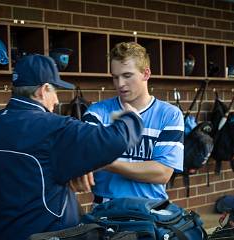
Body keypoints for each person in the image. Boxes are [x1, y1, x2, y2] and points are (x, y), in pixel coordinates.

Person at [0, 54, 143, 240]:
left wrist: (76, 166)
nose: (57, 100)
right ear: (43, 90)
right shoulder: (54, 128)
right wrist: (130, 118)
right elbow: (113, 140)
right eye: (55, 91)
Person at [78, 42, 184, 202]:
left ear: (146, 74)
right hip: (105, 210)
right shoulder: (96, 113)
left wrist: (106, 162)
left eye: (127, 75)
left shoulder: (169, 114)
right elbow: (84, 158)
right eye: (115, 77)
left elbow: (162, 173)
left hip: (150, 211)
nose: (120, 84)